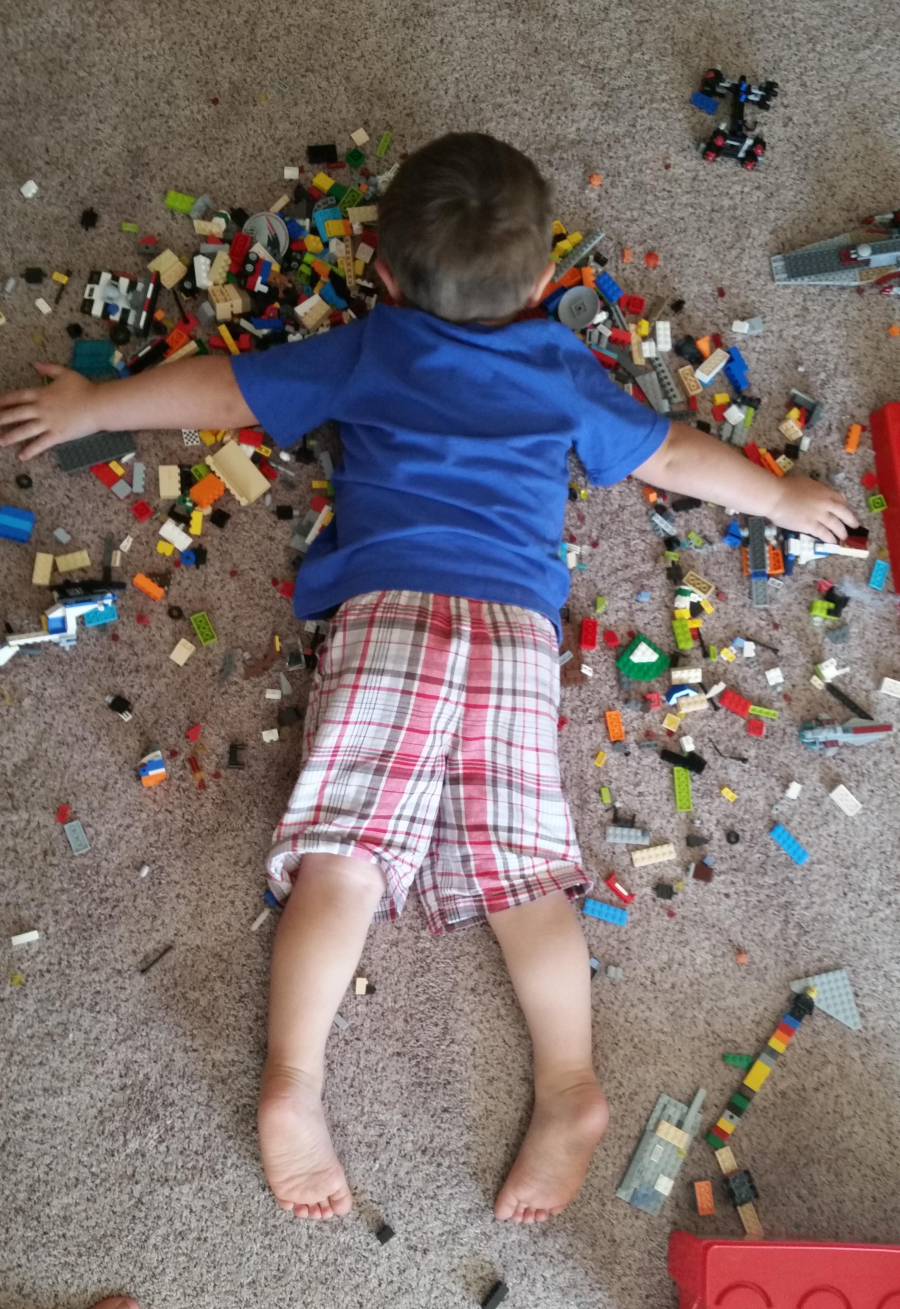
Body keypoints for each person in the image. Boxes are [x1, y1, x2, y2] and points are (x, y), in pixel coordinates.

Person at [0, 133, 858, 1226]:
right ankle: (569, 1082)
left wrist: (93, 405)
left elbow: (225, 391)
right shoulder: (560, 363)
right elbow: (672, 455)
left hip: (390, 621)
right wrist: (781, 498)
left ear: (386, 278)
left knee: (347, 859)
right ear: (544, 285)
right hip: (510, 636)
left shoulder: (371, 347)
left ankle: (295, 1079)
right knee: (522, 876)